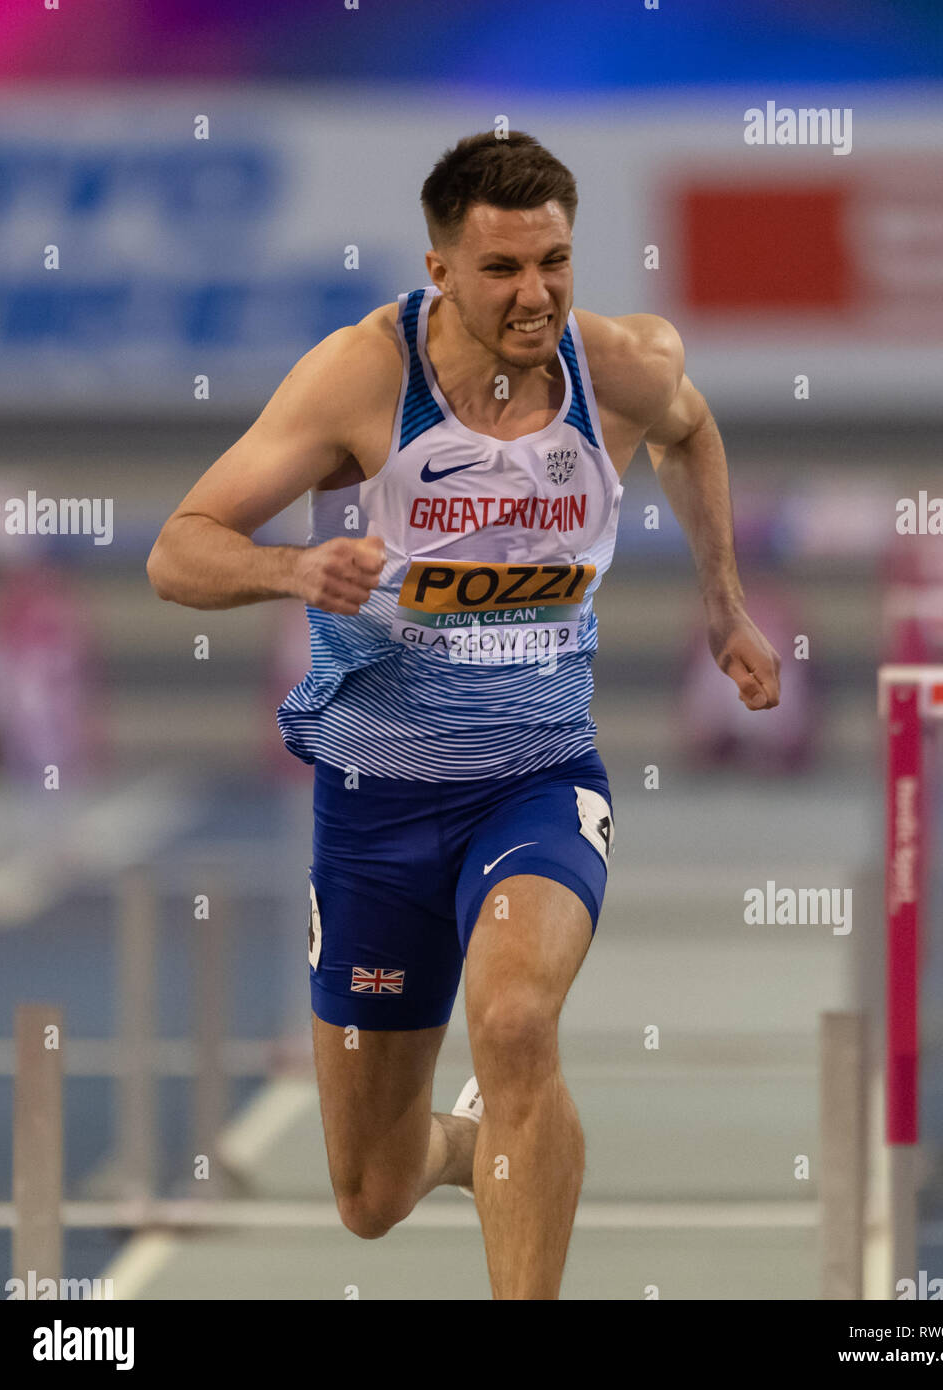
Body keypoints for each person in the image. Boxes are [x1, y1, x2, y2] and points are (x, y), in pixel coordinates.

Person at [146, 131, 781, 1300]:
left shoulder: (623, 364)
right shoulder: (358, 376)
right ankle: (471, 1144)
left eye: (553, 260)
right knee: (370, 1195)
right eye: (500, 270)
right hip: (376, 805)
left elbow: (691, 433)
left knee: (517, 1017)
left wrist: (722, 609)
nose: (533, 293)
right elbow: (178, 551)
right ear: (438, 268)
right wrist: (293, 572)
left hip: (536, 779)